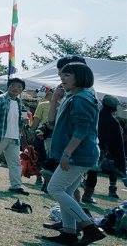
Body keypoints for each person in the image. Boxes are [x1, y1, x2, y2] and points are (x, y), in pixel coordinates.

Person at [41, 62, 105, 245]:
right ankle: (69, 233)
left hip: (79, 154)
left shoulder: (82, 98)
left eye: (67, 75)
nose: (62, 78)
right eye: (61, 75)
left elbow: (82, 129)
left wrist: (67, 153)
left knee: (55, 189)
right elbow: (52, 122)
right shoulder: (74, 96)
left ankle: (89, 227)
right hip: (80, 153)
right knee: (67, 191)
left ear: (80, 77)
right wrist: (55, 99)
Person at [84, 95, 124, 201]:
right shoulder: (114, 122)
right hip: (99, 150)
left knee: (79, 170)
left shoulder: (93, 115)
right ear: (114, 108)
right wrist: (121, 164)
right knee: (92, 173)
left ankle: (73, 192)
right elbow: (118, 145)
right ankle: (87, 196)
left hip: (83, 146)